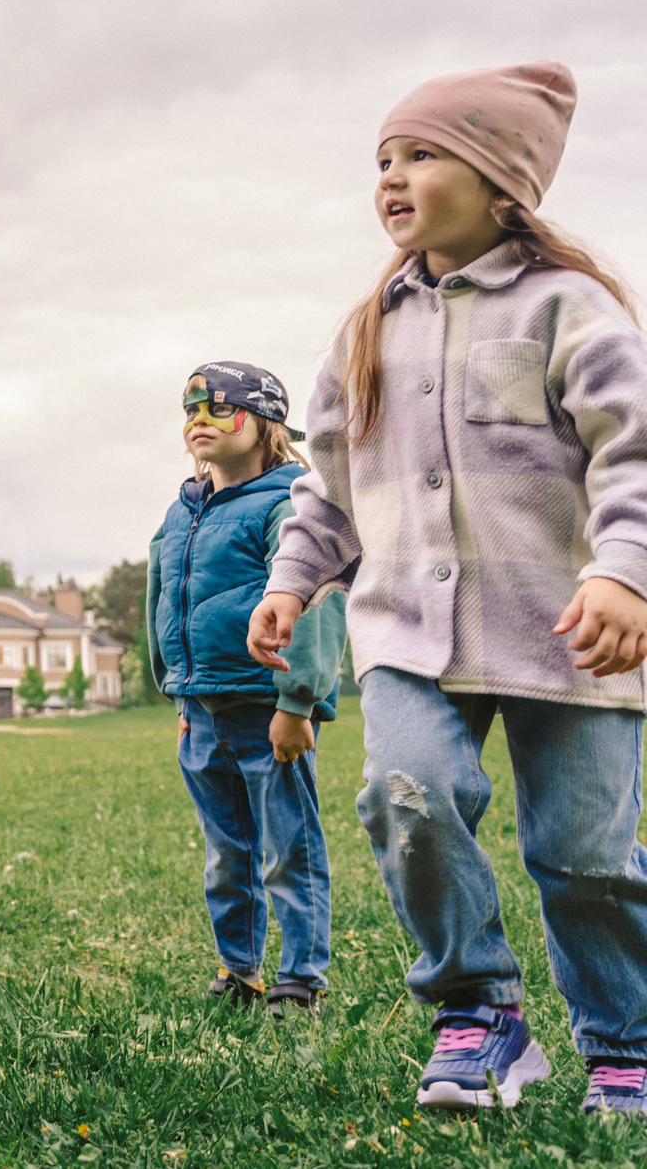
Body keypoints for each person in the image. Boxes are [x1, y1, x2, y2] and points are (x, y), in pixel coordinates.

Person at [250, 62, 647, 1116]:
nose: (392, 176)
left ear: (500, 180)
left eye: (421, 154)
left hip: (570, 630)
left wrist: (623, 575)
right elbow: (329, 485)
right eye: (382, 158)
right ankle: (479, 1014)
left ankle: (625, 1040)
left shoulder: (573, 308)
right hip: (408, 635)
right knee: (403, 793)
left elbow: (632, 454)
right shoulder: (365, 329)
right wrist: (294, 581)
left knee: (586, 855)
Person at [144, 363, 346, 1018]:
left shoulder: (289, 505)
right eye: (189, 409)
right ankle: (239, 969)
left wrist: (299, 703)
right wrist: (178, 693)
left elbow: (315, 602)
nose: (197, 418)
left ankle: (302, 976)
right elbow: (161, 604)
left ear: (265, 423)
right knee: (227, 857)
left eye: (217, 407)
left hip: (268, 708)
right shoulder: (179, 515)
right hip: (201, 710)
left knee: (290, 847)